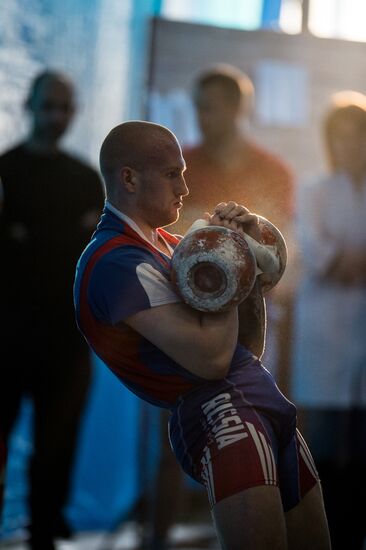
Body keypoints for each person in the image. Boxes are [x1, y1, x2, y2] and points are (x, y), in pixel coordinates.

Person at [74, 120, 331, 550]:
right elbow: (210, 363)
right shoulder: (114, 263)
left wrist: (242, 253)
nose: (184, 189)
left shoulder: (170, 245)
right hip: (219, 411)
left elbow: (245, 349)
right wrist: (224, 257)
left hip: (259, 395)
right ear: (130, 178)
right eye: (173, 174)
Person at [0, 70, 104, 549]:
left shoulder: (86, 181)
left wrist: (27, 238)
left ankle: (44, 537)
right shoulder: (6, 171)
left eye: (64, 106)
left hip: (66, 343)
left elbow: (95, 257)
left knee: (55, 454)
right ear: (30, 105)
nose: (56, 116)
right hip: (6, 338)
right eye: (49, 105)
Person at [291, 91, 366, 550]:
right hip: (323, 340)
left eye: (355, 137)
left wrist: (345, 256)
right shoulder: (313, 190)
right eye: (338, 138)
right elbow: (322, 259)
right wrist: (347, 258)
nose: (347, 146)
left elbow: (340, 257)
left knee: (361, 457)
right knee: (320, 456)